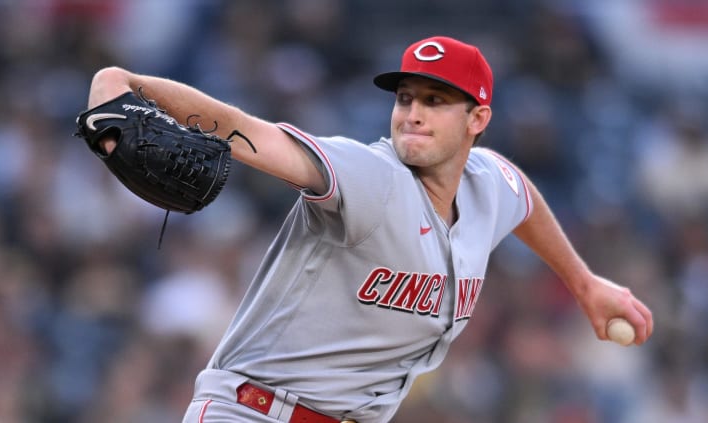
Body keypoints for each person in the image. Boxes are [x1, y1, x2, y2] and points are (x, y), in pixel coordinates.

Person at [84, 36, 653, 423]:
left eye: (435, 100)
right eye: (405, 98)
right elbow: (244, 128)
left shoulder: (486, 184)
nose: (413, 113)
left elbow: (523, 198)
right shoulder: (370, 176)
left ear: (478, 119)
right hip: (255, 412)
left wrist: (584, 284)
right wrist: (125, 79)